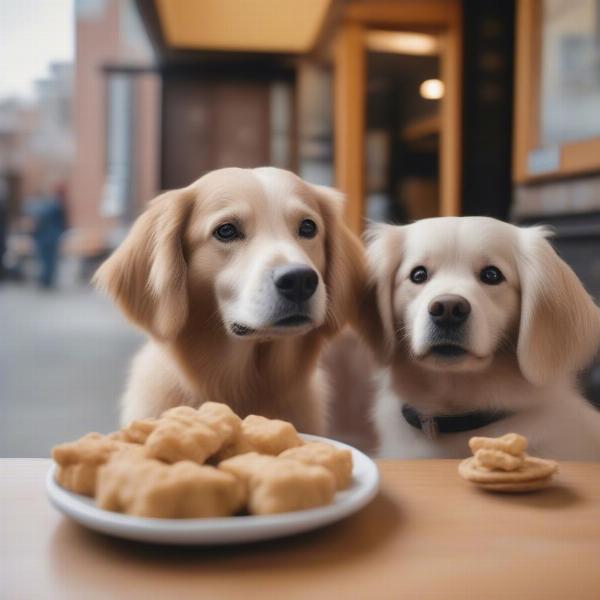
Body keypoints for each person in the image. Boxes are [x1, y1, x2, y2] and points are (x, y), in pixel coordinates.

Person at [27, 185, 68, 288]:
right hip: (50, 237)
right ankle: (47, 280)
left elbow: (38, 222)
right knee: (49, 261)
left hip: (46, 238)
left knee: (47, 261)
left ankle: (46, 280)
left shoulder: (47, 206)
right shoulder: (55, 205)